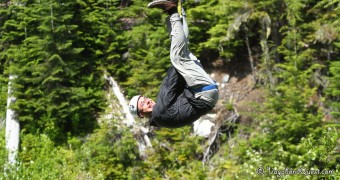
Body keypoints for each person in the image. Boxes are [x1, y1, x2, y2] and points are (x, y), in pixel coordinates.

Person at [129, 0, 219, 128]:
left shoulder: (161, 118)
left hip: (205, 93)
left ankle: (179, 11)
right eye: (142, 104)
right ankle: (171, 9)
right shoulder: (159, 112)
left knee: (182, 52)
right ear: (141, 114)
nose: (147, 101)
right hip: (202, 93)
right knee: (177, 57)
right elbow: (170, 83)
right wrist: (177, 63)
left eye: (145, 99)